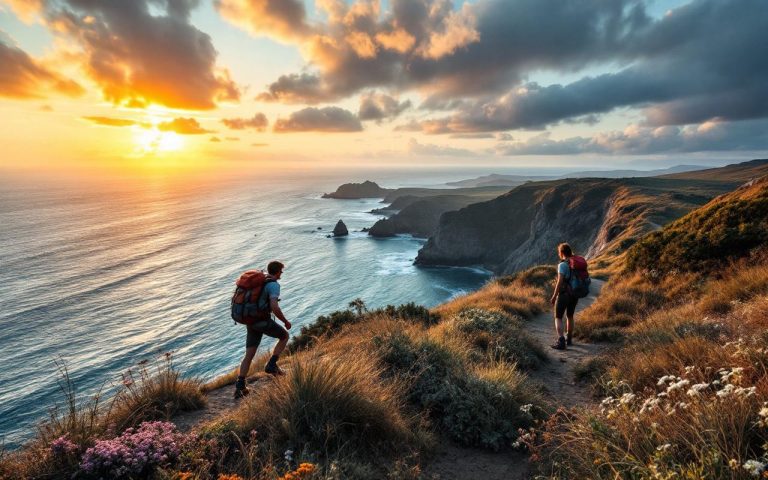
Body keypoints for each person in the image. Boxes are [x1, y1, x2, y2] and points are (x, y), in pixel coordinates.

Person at [234, 260, 292, 399]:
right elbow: (274, 306)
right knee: (284, 336)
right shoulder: (273, 285)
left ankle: (240, 387)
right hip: (260, 320)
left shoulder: (261, 280)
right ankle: (271, 365)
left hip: (250, 320)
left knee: (249, 354)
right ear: (277, 271)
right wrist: (285, 321)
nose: (281, 274)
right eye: (281, 272)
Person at [550, 243, 578, 350]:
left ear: (561, 253)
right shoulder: (575, 263)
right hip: (574, 294)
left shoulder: (562, 265)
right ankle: (569, 339)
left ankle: (561, 341)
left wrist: (554, 296)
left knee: (558, 317)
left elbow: (559, 282)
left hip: (564, 294)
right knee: (570, 316)